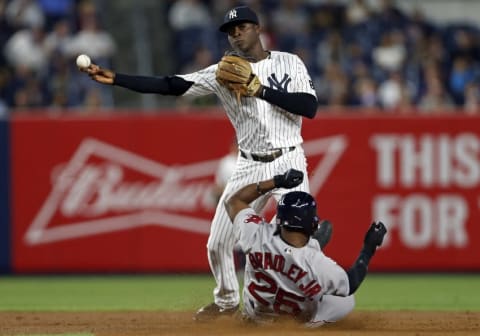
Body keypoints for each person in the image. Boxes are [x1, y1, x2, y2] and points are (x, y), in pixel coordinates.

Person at [80, 5, 319, 321]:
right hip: (248, 166)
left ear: (258, 29)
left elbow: (309, 107)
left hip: (290, 159)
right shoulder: (222, 72)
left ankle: (309, 300)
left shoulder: (290, 62)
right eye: (230, 31)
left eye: (242, 27)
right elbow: (171, 84)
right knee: (217, 243)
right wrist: (116, 79)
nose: (235, 33)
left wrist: (260, 89)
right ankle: (227, 302)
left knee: (294, 239)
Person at [224, 168, 387, 327]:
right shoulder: (318, 264)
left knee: (288, 272)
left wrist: (277, 181)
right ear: (311, 223)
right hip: (293, 322)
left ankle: (251, 315)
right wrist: (369, 247)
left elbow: (234, 200)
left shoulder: (255, 232)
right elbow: (352, 282)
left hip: (255, 318)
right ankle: (306, 328)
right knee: (347, 300)